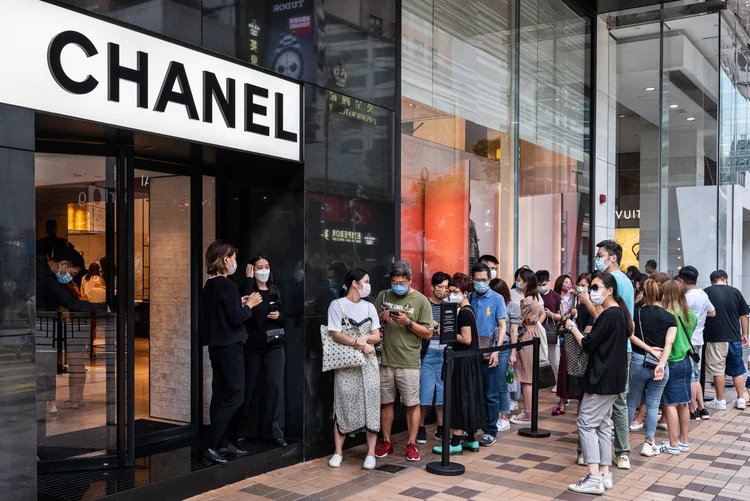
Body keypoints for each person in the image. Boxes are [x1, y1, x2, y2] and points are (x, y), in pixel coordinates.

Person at [565, 273, 631, 495]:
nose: (591, 291)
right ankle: (604, 473)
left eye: (596, 287)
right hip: (612, 379)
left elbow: (588, 344)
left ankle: (593, 476)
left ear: (609, 290)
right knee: (602, 425)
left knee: (586, 423)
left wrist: (572, 327)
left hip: (601, 379)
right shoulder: (617, 315)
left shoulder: (609, 315)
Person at [198, 240, 260, 464]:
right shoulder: (227, 285)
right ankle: (209, 443)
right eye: (233, 258)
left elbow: (223, 313)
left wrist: (240, 302)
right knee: (236, 395)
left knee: (221, 393)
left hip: (216, 345)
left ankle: (222, 443)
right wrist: (249, 304)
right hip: (230, 346)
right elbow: (236, 318)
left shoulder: (211, 284)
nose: (235, 262)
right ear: (225, 260)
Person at [374, 261, 434, 461]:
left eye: (401, 282)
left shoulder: (421, 301)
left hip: (409, 361)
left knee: (411, 403)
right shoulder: (382, 296)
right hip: (385, 359)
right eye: (394, 281)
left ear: (410, 280)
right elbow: (372, 325)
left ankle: (411, 443)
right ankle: (387, 441)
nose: (397, 285)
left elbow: (428, 333)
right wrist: (382, 316)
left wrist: (408, 322)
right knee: (386, 402)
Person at [326, 269, 382, 470]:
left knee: (372, 403)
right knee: (343, 402)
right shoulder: (337, 305)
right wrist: (359, 344)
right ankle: (338, 452)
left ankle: (370, 453)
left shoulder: (370, 307)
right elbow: (335, 334)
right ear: (354, 284)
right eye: (365, 281)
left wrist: (366, 339)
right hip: (346, 363)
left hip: (369, 364)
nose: (368, 285)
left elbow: (376, 335)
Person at [234, 254, 287, 447]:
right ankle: (243, 430)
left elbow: (286, 316)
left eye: (266, 266)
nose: (263, 270)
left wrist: (279, 316)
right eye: (259, 267)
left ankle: (275, 432)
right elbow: (243, 311)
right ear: (251, 269)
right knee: (249, 388)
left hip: (274, 345)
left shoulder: (275, 290)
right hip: (252, 346)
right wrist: (249, 280)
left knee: (275, 387)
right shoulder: (247, 290)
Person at [432, 273, 487, 455]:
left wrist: (445, 333)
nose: (450, 295)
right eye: (450, 291)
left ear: (464, 293)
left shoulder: (463, 312)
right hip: (470, 361)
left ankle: (455, 441)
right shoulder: (468, 310)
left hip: (462, 361)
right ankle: (471, 439)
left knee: (459, 398)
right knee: (470, 397)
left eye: (455, 291)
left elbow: (466, 338)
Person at [594, 239, 634, 469]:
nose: (598, 258)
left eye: (601, 255)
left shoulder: (611, 282)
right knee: (619, 402)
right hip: (624, 348)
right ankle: (623, 453)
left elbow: (601, 315)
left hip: (609, 349)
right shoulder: (626, 281)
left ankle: (594, 452)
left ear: (612, 257)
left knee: (598, 400)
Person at [627, 278, 676, 457]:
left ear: (645, 295)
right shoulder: (670, 317)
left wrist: (648, 349)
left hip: (639, 359)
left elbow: (630, 335)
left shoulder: (637, 313)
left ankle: (622, 441)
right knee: (653, 403)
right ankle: (649, 442)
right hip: (661, 364)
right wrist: (661, 364)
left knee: (631, 401)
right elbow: (669, 343)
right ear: (661, 296)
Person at [469, 263, 507, 446]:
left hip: (489, 351)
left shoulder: (497, 298)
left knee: (490, 393)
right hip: (470, 352)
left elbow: (502, 326)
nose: (481, 283)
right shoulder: (468, 297)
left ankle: (491, 430)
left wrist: (496, 351)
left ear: (489, 280)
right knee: (473, 392)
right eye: (477, 280)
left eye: (484, 280)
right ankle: (472, 428)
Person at [703, 270, 750, 411]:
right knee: (737, 370)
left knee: (718, 370)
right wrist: (744, 334)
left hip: (715, 338)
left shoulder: (707, 292)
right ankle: (741, 398)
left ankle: (720, 400)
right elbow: (744, 315)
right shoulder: (736, 292)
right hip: (734, 338)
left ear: (712, 281)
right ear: (726, 279)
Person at [660, 279, 696, 455]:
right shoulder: (690, 314)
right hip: (686, 361)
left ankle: (673, 443)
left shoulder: (665, 315)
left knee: (670, 404)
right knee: (683, 403)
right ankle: (684, 441)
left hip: (671, 362)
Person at [677, 266, 715, 420]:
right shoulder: (703, 294)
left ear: (681, 280)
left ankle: (692, 409)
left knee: (691, 377)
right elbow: (713, 312)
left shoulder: (686, 298)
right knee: (695, 375)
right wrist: (700, 318)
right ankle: (702, 407)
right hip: (699, 339)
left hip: (688, 340)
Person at [417, 271, 450, 444]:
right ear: (432, 287)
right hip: (428, 352)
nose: (443, 290)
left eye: (445, 287)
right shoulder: (425, 304)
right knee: (425, 391)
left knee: (443, 393)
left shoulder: (449, 306)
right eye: (439, 287)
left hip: (445, 352)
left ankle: (441, 427)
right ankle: (420, 427)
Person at [510, 268, 545, 425]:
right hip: (533, 335)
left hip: (525, 337)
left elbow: (518, 321)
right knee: (529, 377)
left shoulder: (526, 301)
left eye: (520, 279)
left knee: (526, 379)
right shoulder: (535, 298)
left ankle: (528, 413)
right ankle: (530, 412)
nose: (518, 281)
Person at [490, 278, 520, 431]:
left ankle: (504, 416)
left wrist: (513, 352)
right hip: (490, 345)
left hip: (505, 345)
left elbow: (514, 330)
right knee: (492, 382)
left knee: (502, 383)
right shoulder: (491, 304)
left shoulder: (512, 306)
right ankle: (494, 415)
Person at [553, 274, 578, 415]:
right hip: (560, 332)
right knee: (562, 365)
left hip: (571, 333)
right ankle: (562, 399)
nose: (568, 284)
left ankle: (569, 396)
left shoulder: (573, 297)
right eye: (565, 282)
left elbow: (573, 315)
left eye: (570, 282)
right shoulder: (557, 297)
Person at [538, 270, 562, 391]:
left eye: (544, 284)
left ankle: (559, 384)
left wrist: (549, 314)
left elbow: (561, 316)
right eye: (539, 284)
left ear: (548, 282)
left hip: (552, 331)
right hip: (538, 332)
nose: (541, 287)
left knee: (555, 360)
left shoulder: (556, 297)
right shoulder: (535, 296)